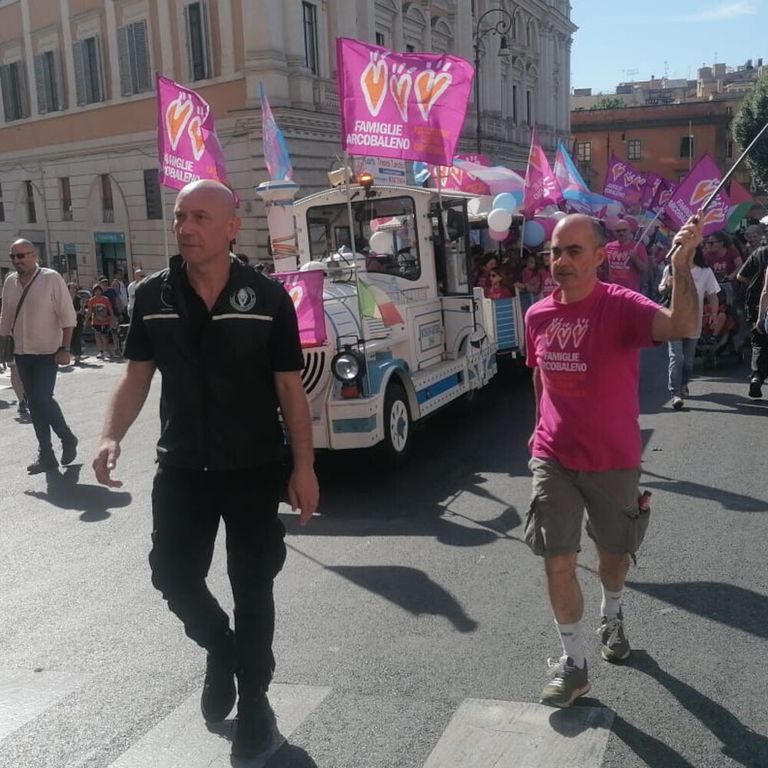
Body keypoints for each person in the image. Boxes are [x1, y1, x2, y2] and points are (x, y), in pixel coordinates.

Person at [92, 179, 319, 759]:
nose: (185, 228)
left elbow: (290, 389)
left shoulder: (267, 299)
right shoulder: (151, 296)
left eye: (198, 217)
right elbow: (136, 375)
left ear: (230, 228)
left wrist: (304, 466)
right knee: (171, 575)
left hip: (253, 468)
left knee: (252, 586)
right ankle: (222, 649)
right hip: (184, 468)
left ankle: (255, 701)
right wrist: (111, 435)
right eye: (178, 217)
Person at [524, 213, 701, 708]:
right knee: (557, 559)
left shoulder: (620, 307)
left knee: (612, 557)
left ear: (601, 256)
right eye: (555, 252)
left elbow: (682, 324)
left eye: (573, 251)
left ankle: (613, 612)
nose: (560, 261)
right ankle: (574, 664)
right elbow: (539, 376)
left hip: (614, 459)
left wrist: (682, 265)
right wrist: (537, 426)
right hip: (553, 456)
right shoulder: (537, 314)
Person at [0, 239, 78, 473]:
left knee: (42, 398)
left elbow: (68, 316)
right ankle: (46, 454)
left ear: (34, 255)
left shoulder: (51, 278)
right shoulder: (10, 282)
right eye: (13, 256)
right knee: (34, 403)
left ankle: (67, 438)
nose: (17, 261)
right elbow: (5, 316)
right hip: (22, 352)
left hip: (48, 353)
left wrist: (64, 348)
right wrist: (3, 346)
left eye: (21, 256)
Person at [658, 246, 720, 409]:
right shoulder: (671, 269)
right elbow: (661, 289)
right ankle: (675, 393)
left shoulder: (705, 271)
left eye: (689, 249)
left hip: (694, 321)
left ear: (695, 252)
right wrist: (668, 285)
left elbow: (712, 294)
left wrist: (714, 313)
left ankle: (684, 384)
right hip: (673, 320)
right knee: (676, 358)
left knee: (688, 361)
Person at [736, 240, 768, 398]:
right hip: (760, 300)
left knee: (758, 341)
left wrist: (754, 283)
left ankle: (757, 376)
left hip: (754, 302)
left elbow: (740, 276)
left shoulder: (758, 253)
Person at [603, 221, 648, 294]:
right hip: (613, 290)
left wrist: (635, 258)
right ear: (614, 232)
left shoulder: (638, 247)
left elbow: (645, 269)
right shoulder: (608, 246)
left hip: (630, 292)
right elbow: (604, 267)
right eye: (618, 231)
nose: (621, 233)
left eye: (624, 230)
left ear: (629, 230)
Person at [84, 284, 117, 359]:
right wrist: (86, 320)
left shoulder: (105, 299)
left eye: (99, 291)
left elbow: (110, 309)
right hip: (96, 321)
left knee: (104, 336)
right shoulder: (91, 300)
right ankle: (101, 351)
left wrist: (113, 318)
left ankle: (106, 350)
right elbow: (89, 311)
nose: (97, 292)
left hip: (105, 320)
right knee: (97, 335)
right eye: (96, 291)